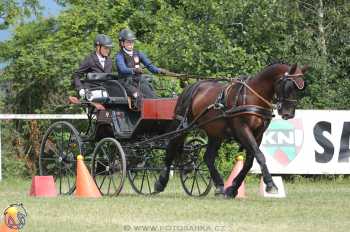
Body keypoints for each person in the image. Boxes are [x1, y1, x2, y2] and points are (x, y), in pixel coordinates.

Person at [115, 28, 168, 99]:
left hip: (139, 80)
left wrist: (158, 70)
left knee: (152, 96)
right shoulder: (120, 56)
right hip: (126, 83)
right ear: (122, 43)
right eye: (128, 42)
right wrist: (134, 70)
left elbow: (150, 66)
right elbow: (122, 69)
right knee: (138, 97)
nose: (131, 44)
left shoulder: (138, 53)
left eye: (132, 41)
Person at [73, 34, 113, 98]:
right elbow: (76, 75)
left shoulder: (109, 61)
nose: (108, 50)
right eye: (105, 48)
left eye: (109, 48)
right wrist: (80, 89)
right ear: (98, 47)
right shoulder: (89, 59)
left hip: (105, 91)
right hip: (92, 91)